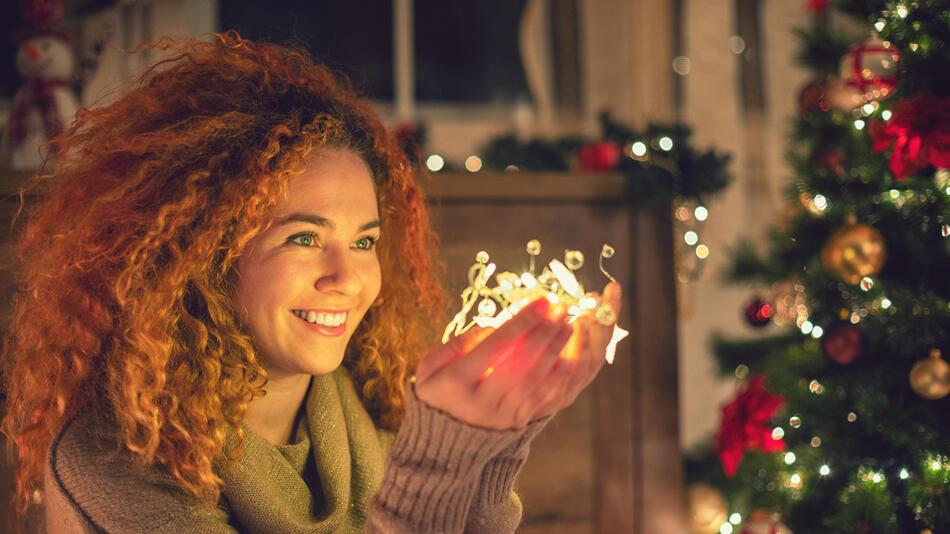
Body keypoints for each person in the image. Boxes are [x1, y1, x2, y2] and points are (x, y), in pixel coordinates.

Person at [0, 33, 622, 533]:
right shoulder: (112, 463)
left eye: (364, 242)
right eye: (302, 237)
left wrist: (503, 437)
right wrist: (436, 462)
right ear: (204, 257)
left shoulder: (374, 423)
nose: (347, 278)